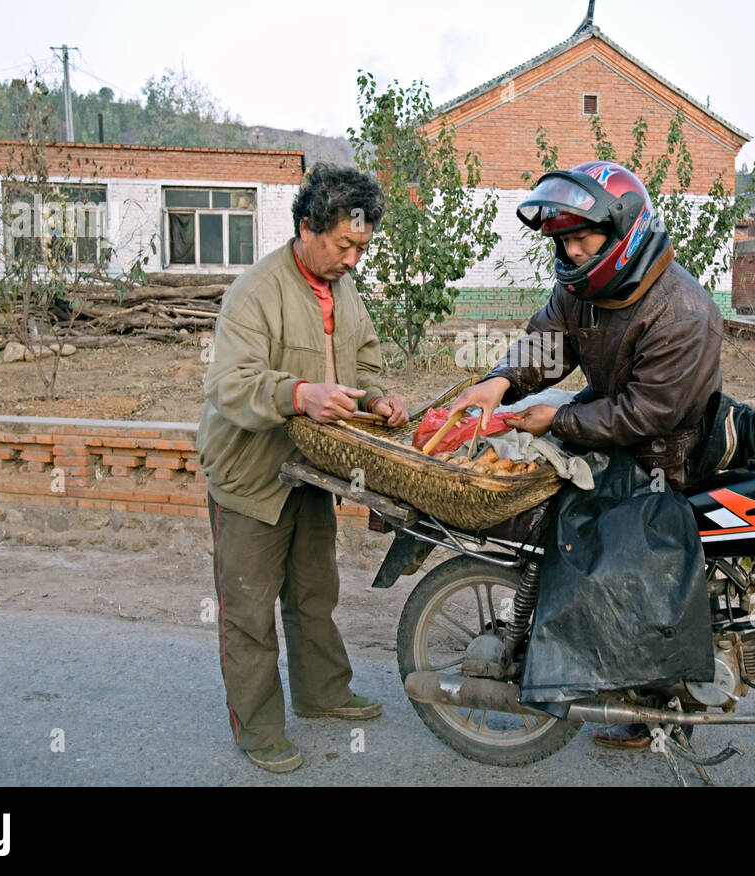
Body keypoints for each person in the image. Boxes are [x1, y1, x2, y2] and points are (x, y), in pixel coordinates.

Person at [449, 159, 724, 749]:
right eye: (564, 240)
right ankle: (629, 691)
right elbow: (546, 344)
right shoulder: (581, 292)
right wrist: (501, 381)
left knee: (606, 557)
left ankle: (652, 696)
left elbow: (649, 413)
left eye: (582, 238)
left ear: (625, 232)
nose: (572, 252)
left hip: (665, 454)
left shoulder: (683, 311)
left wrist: (562, 419)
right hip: (609, 429)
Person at [197, 163, 409, 773]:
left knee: (315, 594)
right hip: (251, 475)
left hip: (312, 472)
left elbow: (364, 362)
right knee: (248, 610)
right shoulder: (256, 291)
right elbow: (228, 385)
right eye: (345, 245)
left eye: (362, 248)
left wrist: (375, 398)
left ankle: (323, 694)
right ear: (306, 228)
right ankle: (258, 728)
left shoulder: (344, 291)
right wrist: (299, 395)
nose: (353, 259)